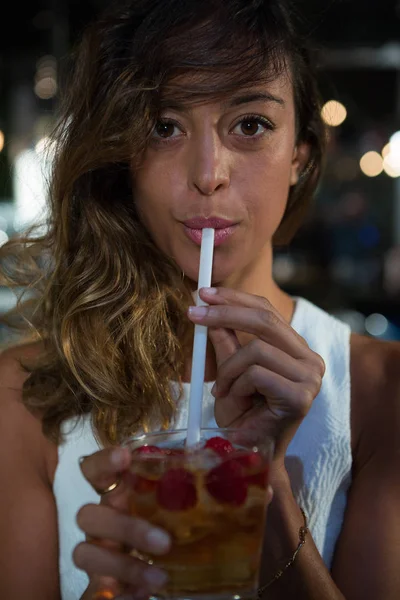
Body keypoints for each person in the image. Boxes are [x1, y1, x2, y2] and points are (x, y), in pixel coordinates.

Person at [1, 0, 400, 599]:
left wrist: (265, 494)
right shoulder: (25, 393)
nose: (208, 172)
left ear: (302, 153)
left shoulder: (379, 391)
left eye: (250, 124)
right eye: (164, 126)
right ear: (122, 156)